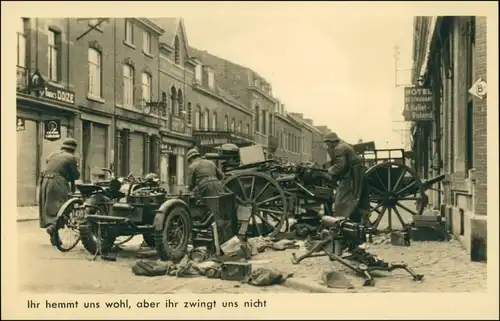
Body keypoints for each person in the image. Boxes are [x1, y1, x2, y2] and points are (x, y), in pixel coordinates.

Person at [39, 138, 80, 239]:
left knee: (49, 209)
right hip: (57, 182)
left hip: (45, 181)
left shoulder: (53, 154)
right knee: (64, 207)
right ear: (73, 149)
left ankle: (54, 234)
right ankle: (53, 227)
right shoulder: (71, 157)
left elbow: (48, 161)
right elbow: (76, 175)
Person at [323, 132, 369, 223]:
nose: (326, 145)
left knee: (342, 197)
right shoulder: (340, 146)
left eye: (327, 142)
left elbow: (340, 165)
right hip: (352, 172)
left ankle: (341, 220)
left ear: (332, 142)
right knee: (344, 196)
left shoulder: (339, 148)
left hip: (352, 175)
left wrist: (329, 171)